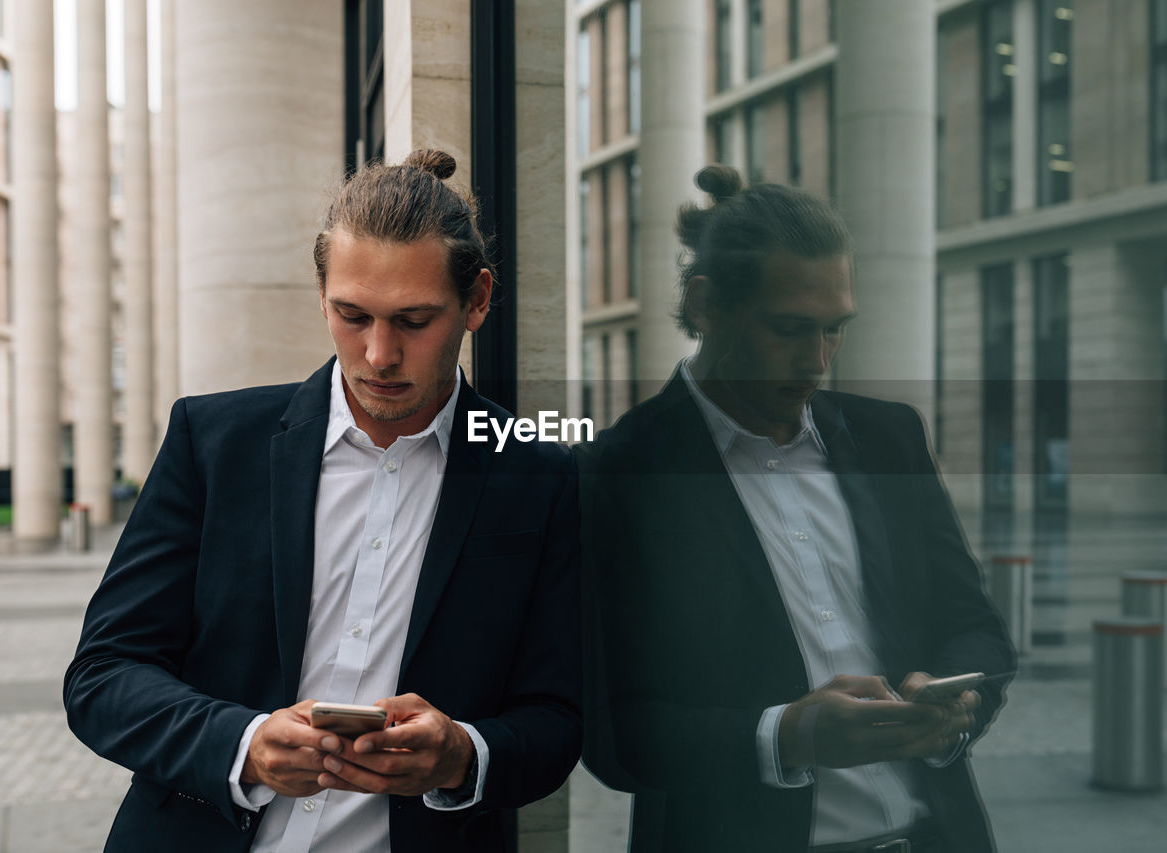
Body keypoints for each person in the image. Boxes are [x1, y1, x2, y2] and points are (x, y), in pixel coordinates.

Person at [64, 150, 582, 853]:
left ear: (478, 300)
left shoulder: (538, 477)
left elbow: (558, 717)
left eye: (413, 320)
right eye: (352, 314)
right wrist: (241, 744)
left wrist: (463, 754)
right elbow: (103, 675)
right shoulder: (212, 442)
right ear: (322, 294)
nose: (378, 354)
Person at [579, 166, 1015, 853]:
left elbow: (976, 627)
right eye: (788, 329)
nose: (817, 361)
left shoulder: (889, 437)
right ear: (704, 305)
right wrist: (785, 735)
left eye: (834, 330)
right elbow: (611, 732)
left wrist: (955, 705)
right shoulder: (616, 474)